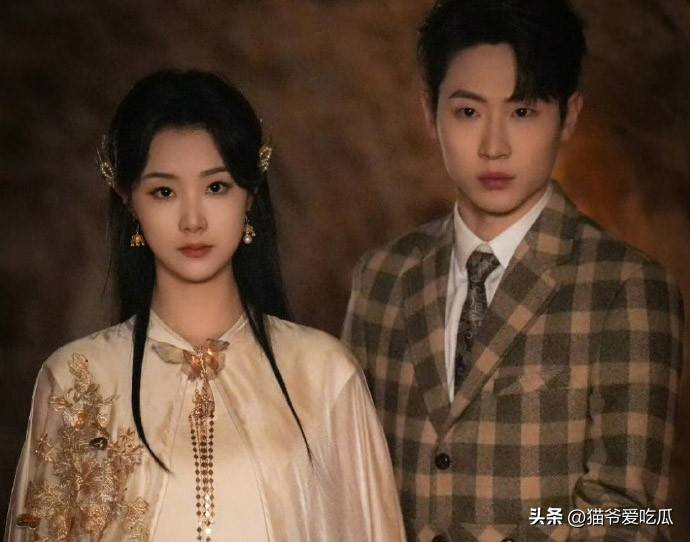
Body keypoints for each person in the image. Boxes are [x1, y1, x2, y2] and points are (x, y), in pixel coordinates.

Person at [6, 70, 405, 542]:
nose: (193, 220)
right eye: (164, 191)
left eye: (216, 187)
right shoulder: (77, 380)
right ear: (129, 201)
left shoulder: (324, 375)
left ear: (250, 195)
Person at [342, 1, 684, 540]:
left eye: (523, 112)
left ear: (569, 116)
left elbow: (628, 513)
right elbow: (348, 477)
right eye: (468, 112)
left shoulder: (627, 288)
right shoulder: (381, 277)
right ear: (429, 112)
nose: (494, 147)